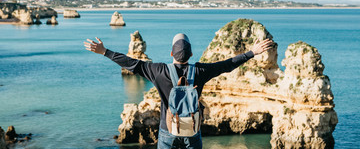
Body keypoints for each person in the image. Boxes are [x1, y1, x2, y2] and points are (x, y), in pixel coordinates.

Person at [84, 33, 273, 149]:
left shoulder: (158, 71)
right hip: (192, 129)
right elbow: (226, 65)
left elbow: (131, 64)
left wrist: (104, 51)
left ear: (171, 54)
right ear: (191, 55)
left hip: (168, 130)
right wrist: (252, 52)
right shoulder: (200, 71)